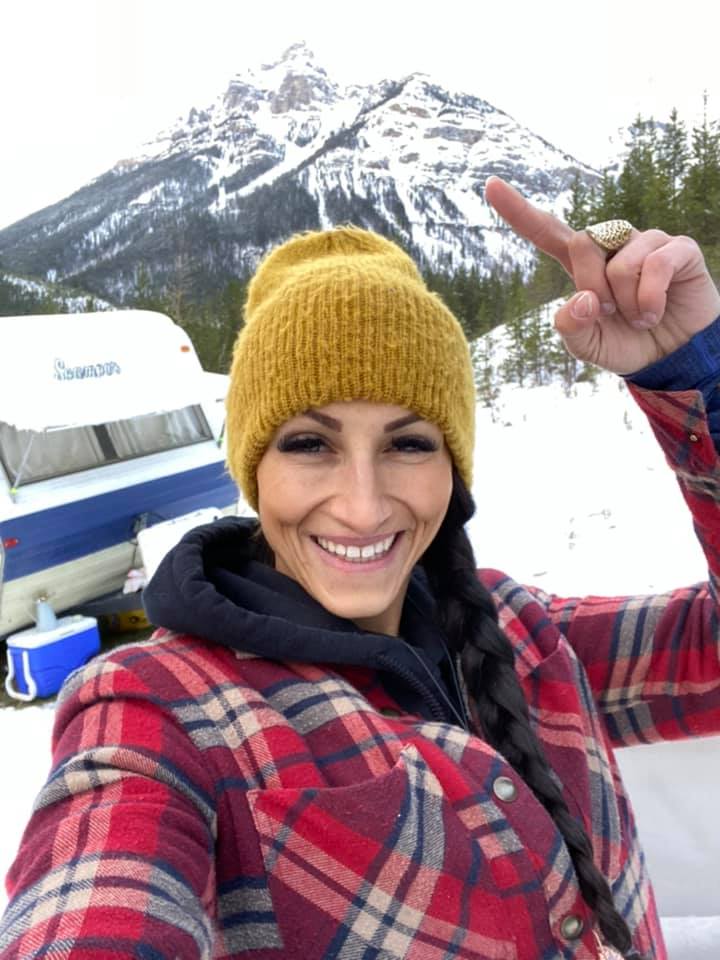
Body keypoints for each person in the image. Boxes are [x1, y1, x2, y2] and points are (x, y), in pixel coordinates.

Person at [1, 176, 719, 960]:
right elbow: (95, 894)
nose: (363, 506)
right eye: (310, 444)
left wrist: (695, 375)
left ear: (452, 469)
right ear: (254, 469)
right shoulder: (162, 710)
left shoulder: (524, 627)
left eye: (409, 444)